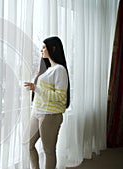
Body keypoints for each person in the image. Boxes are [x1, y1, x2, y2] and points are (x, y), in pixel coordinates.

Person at [24, 36, 70, 169]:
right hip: (37, 112)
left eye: (44, 47)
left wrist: (36, 88)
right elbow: (42, 91)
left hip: (50, 115)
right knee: (28, 144)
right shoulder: (47, 69)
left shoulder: (60, 70)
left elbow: (60, 97)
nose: (41, 50)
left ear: (53, 48)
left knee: (49, 151)